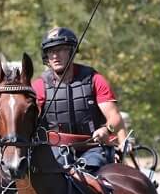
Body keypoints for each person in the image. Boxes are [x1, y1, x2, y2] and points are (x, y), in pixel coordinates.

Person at [31, 26, 129, 173]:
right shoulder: (38, 86)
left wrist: (106, 130)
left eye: (61, 49)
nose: (55, 56)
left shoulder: (95, 79)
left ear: (71, 51)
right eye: (51, 51)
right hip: (56, 151)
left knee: (90, 173)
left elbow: (115, 118)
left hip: (93, 149)